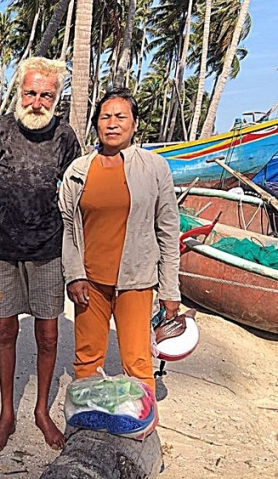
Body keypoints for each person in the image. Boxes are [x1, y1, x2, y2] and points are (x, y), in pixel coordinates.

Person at [0, 57, 81, 451]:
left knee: (49, 335)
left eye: (45, 94)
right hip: (0, 250)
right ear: (19, 93)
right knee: (4, 330)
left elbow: (76, 194)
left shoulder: (66, 138)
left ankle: (42, 412)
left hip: (49, 251)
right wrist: (9, 194)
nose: (36, 102)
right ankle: (7, 413)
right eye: (30, 93)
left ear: (56, 97)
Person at [58, 88, 180, 394]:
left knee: (137, 361)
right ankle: (84, 426)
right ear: (97, 124)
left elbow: (167, 230)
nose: (112, 123)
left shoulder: (154, 167)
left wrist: (169, 290)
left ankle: (140, 429)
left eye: (120, 117)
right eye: (105, 117)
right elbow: (68, 228)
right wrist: (74, 276)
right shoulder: (79, 170)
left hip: (136, 281)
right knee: (87, 359)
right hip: (89, 283)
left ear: (135, 124)